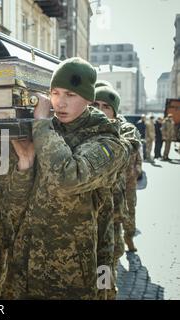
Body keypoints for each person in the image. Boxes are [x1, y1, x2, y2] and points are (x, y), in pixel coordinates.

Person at [7, 57, 128, 299]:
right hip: (26, 270)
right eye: (54, 93)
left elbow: (67, 178)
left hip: (74, 277)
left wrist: (41, 124)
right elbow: (14, 207)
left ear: (88, 99)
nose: (60, 103)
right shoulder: (44, 135)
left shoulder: (108, 143)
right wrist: (24, 165)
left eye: (70, 95)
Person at [93, 83, 141, 299]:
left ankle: (107, 293)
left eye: (106, 106)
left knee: (107, 263)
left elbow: (129, 145)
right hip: (88, 216)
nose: (100, 110)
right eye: (95, 104)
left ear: (114, 111)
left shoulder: (123, 132)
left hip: (111, 215)